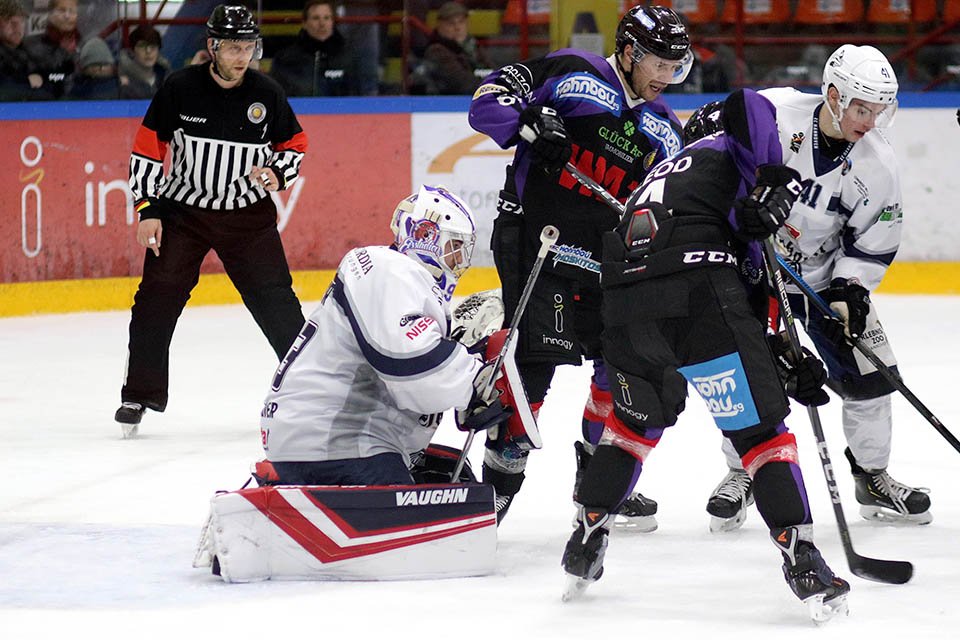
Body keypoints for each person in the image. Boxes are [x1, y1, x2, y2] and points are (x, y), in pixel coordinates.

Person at [562, 88, 850, 622]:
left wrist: (784, 358)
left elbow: (742, 292)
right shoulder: (730, 148)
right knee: (762, 434)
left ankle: (585, 538)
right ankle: (801, 556)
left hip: (624, 308)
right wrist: (769, 175)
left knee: (630, 427)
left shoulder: (663, 179)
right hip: (696, 295)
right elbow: (748, 100)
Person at [467, 6, 692, 527]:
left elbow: (665, 210)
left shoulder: (663, 130)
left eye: (675, 66)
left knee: (622, 368)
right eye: (658, 62)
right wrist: (528, 121)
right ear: (630, 51)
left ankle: (596, 479)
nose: (665, 76)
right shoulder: (572, 72)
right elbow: (486, 103)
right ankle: (492, 500)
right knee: (532, 370)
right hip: (537, 241)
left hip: (603, 259)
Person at [704, 45, 932, 531]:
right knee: (754, 377)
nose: (869, 122)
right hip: (756, 271)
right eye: (861, 108)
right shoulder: (779, 114)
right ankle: (743, 471)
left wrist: (850, 289)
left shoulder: (877, 164)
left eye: (879, 111)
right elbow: (719, 129)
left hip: (824, 279)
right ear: (832, 95)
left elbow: (873, 241)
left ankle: (872, 478)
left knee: (874, 373)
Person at [114, 5, 308, 438]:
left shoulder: (267, 92)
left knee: (277, 303)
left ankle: (311, 392)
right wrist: (148, 209)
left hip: (247, 215)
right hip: (185, 213)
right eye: (234, 47)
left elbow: (294, 142)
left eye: (249, 46)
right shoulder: (179, 88)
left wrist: (278, 173)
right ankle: (137, 395)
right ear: (212, 47)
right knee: (155, 299)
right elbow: (147, 149)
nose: (243, 56)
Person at [260, 185, 512, 485]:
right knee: (425, 524)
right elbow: (412, 367)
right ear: (424, 235)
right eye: (454, 247)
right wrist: (473, 381)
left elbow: (415, 378)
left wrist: (463, 361)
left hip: (325, 434)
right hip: (332, 442)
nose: (458, 261)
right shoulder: (387, 269)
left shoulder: (401, 281)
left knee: (454, 481)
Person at [270, 0, 377, 97]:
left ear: (332, 22)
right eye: (316, 18)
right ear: (304, 23)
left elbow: (362, 93)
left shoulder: (350, 57)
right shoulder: (286, 59)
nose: (322, 24)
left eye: (327, 18)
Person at [409, 1, 492, 95]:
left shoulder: (473, 46)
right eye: (451, 23)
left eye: (461, 22)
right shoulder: (436, 51)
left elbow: (493, 72)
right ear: (440, 25)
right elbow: (463, 84)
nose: (457, 27)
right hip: (446, 104)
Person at [23, 0, 80, 98]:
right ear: (50, 14)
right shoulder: (33, 46)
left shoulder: (85, 43)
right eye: (62, 10)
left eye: (72, 11)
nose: (67, 15)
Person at [0, 0, 48, 100]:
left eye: (21, 21)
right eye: (9, 21)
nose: (17, 26)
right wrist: (26, 81)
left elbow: (52, 78)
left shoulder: (31, 53)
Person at [118, 23, 170, 99]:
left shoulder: (168, 77)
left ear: (158, 49)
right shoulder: (121, 80)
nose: (148, 51)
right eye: (142, 46)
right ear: (132, 50)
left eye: (153, 46)